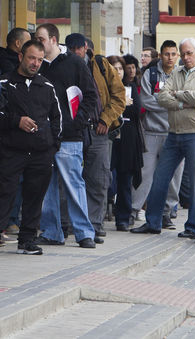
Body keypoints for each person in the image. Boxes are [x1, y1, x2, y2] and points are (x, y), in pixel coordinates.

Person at [0, 40, 61, 256]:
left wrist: (52, 146)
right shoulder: (4, 82)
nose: (35, 63)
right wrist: (17, 121)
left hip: (42, 153)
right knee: (4, 194)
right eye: (32, 58)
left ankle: (27, 241)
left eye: (40, 60)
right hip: (11, 150)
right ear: (21, 57)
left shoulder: (47, 86)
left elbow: (57, 119)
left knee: (35, 197)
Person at [131, 37, 195, 238]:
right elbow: (163, 97)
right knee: (159, 179)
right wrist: (184, 101)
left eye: (188, 53)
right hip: (173, 133)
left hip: (194, 133)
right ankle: (153, 222)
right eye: (183, 54)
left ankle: (193, 227)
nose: (185, 57)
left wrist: (179, 94)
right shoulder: (176, 72)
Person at [35, 23, 98, 249]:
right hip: (43, 137)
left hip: (70, 137)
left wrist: (75, 124)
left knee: (74, 184)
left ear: (53, 39)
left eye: (41, 39)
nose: (37, 43)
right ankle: (52, 231)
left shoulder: (74, 63)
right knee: (46, 186)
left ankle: (83, 232)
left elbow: (91, 96)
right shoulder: (37, 65)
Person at [67, 33, 125, 243]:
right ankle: (68, 224)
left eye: (78, 50)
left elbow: (119, 96)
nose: (75, 54)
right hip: (72, 132)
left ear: (85, 48)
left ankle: (94, 224)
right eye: (71, 51)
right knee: (69, 178)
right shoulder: (63, 66)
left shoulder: (101, 65)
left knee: (99, 179)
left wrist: (105, 120)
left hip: (98, 131)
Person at [131, 40, 183, 230]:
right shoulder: (150, 74)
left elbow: (187, 100)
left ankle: (167, 214)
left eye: (173, 54)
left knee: (174, 177)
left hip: (175, 133)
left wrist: (164, 101)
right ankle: (134, 209)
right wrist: (173, 103)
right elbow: (145, 101)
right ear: (160, 55)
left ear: (177, 55)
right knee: (145, 174)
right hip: (152, 133)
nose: (170, 58)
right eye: (166, 54)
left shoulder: (182, 74)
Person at [107, 56, 144, 231]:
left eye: (120, 68)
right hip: (108, 137)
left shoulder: (130, 88)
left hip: (128, 138)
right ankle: (101, 213)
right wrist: (122, 104)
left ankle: (123, 217)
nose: (118, 72)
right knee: (105, 178)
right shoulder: (104, 90)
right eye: (114, 68)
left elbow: (137, 110)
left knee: (125, 180)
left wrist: (122, 105)